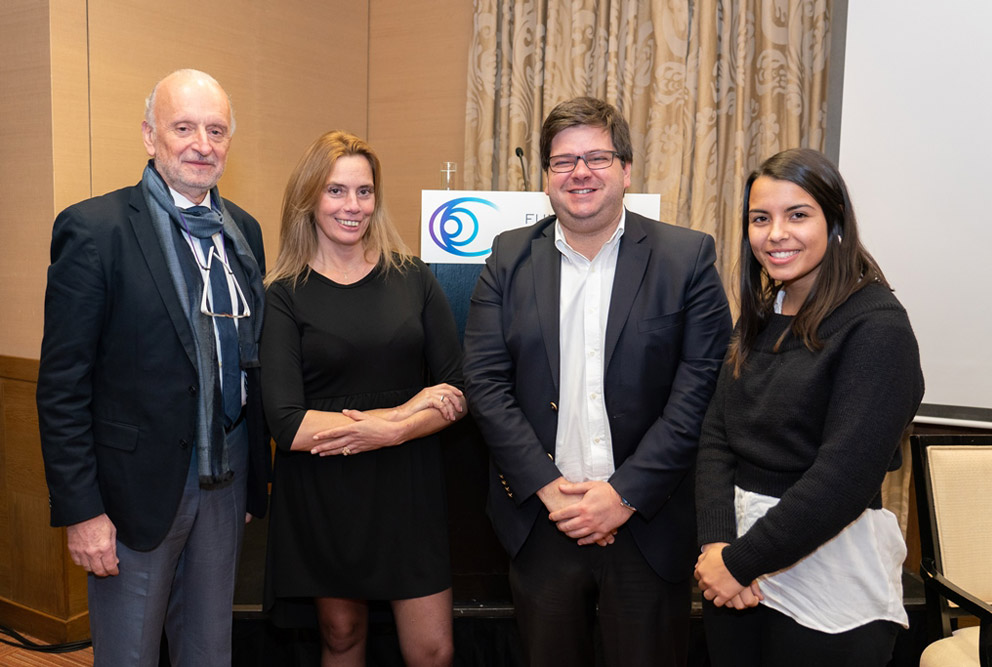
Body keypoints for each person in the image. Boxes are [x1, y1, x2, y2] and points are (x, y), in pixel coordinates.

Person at [462, 96, 732, 666]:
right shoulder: (508, 258)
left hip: (647, 525)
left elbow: (699, 393)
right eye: (563, 161)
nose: (579, 172)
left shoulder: (686, 258)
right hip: (543, 522)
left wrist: (622, 495)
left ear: (626, 170)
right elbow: (485, 384)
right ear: (546, 177)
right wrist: (549, 489)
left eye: (597, 158)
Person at [36, 69, 268, 666]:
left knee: (209, 650)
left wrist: (252, 478)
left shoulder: (243, 232)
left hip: (226, 472)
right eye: (183, 128)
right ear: (149, 135)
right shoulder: (95, 230)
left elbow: (248, 360)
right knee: (130, 654)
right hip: (132, 491)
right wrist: (83, 512)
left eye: (216, 130)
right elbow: (62, 387)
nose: (202, 145)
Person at [694, 147, 924, 666]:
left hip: (829, 588)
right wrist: (715, 546)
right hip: (735, 578)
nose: (776, 234)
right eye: (760, 218)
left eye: (797, 215)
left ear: (835, 220)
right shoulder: (763, 312)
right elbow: (716, 435)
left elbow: (844, 478)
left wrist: (739, 562)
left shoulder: (877, 327)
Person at [260, 130, 466, 666]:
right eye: (336, 191)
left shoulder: (413, 277)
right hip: (327, 489)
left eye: (364, 191)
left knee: (433, 650)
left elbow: (457, 390)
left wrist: (396, 432)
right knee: (342, 636)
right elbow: (288, 424)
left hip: (408, 486)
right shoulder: (283, 293)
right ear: (309, 197)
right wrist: (401, 413)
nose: (352, 206)